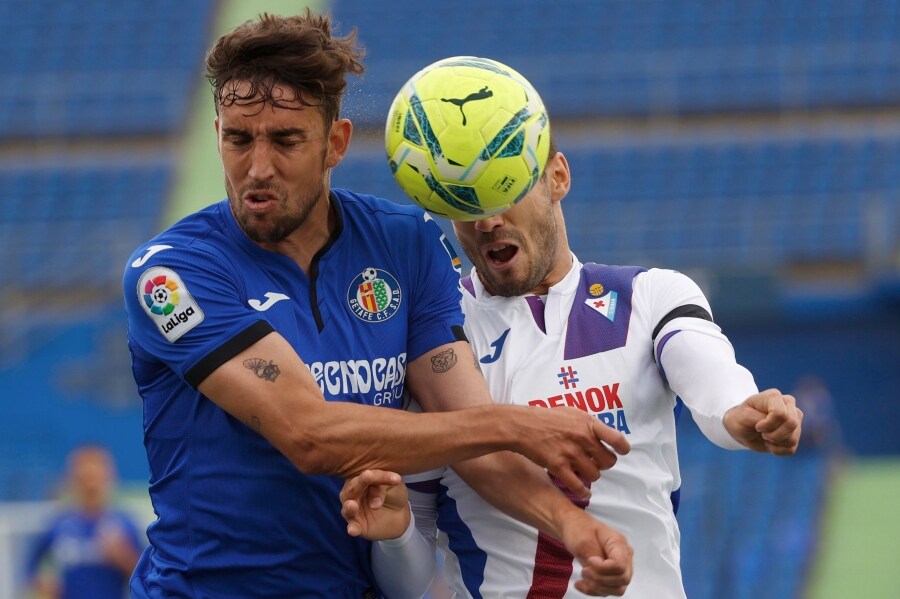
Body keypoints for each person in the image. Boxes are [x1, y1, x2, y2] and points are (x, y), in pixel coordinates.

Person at [121, 11, 634, 598]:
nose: (257, 168)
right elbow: (309, 435)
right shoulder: (172, 272)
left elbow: (469, 439)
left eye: (286, 141)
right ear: (217, 133)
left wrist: (578, 529)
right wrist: (515, 425)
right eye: (238, 138)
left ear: (335, 143)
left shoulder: (404, 243)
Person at [341, 133, 804, 597]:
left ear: (557, 176)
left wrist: (740, 409)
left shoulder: (651, 295)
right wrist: (397, 535)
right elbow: (411, 581)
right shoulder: (433, 344)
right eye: (466, 202)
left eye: (506, 189)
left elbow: (705, 367)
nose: (488, 220)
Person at [24, 445, 144, 599]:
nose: (90, 485)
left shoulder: (124, 524)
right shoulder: (59, 525)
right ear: (73, 480)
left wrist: (122, 556)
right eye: (84, 478)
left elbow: (146, 576)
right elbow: (29, 567)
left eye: (96, 478)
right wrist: (44, 585)